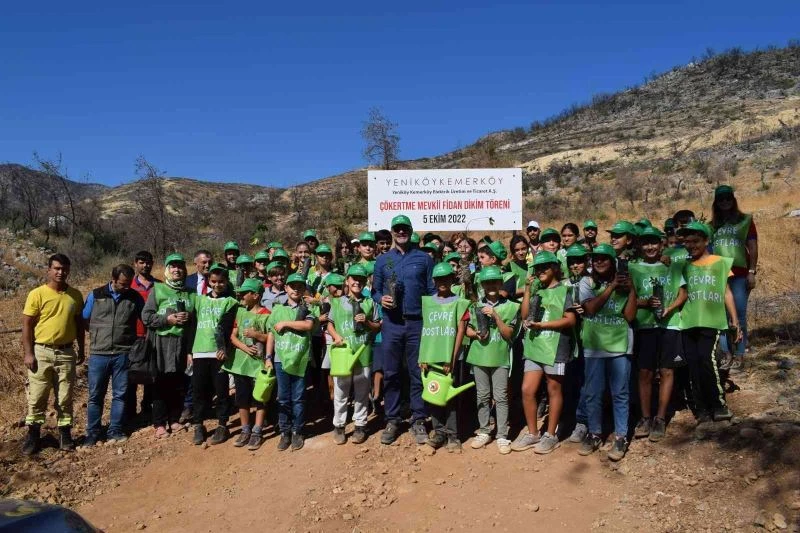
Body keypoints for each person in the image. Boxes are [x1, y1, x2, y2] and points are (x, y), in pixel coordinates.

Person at [372, 214, 435, 445]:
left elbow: (431, 290)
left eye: (404, 229)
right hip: (392, 323)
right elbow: (374, 290)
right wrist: (381, 300)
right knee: (391, 373)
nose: (401, 232)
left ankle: (419, 419)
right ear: (392, 232)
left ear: (410, 230)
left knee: (417, 372)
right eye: (397, 229)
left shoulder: (424, 259)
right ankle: (393, 419)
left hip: (417, 322)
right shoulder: (382, 261)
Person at [677, 221, 741, 426]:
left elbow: (726, 292)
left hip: (711, 321)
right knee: (693, 365)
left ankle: (718, 405)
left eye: (695, 241)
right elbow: (681, 292)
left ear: (706, 241)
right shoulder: (684, 265)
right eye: (687, 242)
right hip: (688, 321)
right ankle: (701, 409)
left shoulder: (720, 262)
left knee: (708, 360)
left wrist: (735, 320)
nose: (691, 245)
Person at [577, 243, 637, 461]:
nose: (599, 262)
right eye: (596, 259)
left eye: (604, 258)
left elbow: (630, 316)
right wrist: (611, 287)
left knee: (620, 393)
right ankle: (594, 433)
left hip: (620, 345)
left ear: (613, 261)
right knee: (592, 393)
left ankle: (621, 436)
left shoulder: (626, 281)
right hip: (594, 346)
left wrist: (630, 289)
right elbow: (590, 308)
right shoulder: (586, 282)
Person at [514, 252, 578, 454]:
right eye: (538, 268)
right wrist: (526, 289)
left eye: (545, 268)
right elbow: (524, 315)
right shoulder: (536, 292)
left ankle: (550, 435)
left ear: (555, 269)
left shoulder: (565, 290)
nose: (540, 271)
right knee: (527, 389)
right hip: (534, 346)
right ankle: (533, 434)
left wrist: (543, 324)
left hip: (556, 347)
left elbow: (570, 320)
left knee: (554, 389)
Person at [21, 254, 85, 455]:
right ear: (48, 270)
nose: (60, 272)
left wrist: (82, 348)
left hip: (66, 352)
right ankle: (33, 436)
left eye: (64, 269)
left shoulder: (75, 295)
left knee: (65, 397)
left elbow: (79, 325)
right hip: (42, 351)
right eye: (56, 268)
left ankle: (65, 435)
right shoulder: (37, 294)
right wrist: (29, 353)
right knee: (37, 397)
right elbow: (27, 325)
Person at [629, 227, 688, 442]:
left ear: (661, 243)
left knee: (667, 371)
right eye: (645, 243)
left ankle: (660, 418)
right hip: (645, 326)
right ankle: (645, 417)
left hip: (670, 325)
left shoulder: (671, 266)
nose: (650, 247)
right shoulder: (633, 268)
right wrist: (643, 303)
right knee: (644, 372)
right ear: (639, 246)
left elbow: (683, 292)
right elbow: (627, 300)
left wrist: (669, 309)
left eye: (654, 242)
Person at [83, 264, 143, 446]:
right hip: (98, 354)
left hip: (122, 353)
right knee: (95, 395)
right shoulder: (96, 295)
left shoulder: (134, 297)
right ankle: (92, 433)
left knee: (120, 394)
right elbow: (85, 318)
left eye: (129, 284)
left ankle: (115, 430)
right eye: (123, 284)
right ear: (113, 279)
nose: (126, 287)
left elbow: (145, 317)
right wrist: (98, 336)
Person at [465, 265, 520, 454]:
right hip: (479, 357)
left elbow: (509, 334)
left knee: (501, 396)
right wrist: (474, 334)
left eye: (495, 282)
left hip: (500, 357)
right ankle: (484, 430)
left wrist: (496, 317)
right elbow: (467, 329)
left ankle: (502, 435)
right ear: (482, 284)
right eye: (487, 282)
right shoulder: (474, 305)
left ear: (500, 283)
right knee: (482, 395)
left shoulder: (512, 306)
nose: (491, 285)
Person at [142, 253, 196, 439]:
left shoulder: (191, 293)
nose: (177, 270)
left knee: (178, 383)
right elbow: (147, 317)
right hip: (161, 343)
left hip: (182, 344)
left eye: (180, 266)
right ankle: (159, 423)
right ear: (166, 270)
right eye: (172, 266)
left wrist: (189, 319)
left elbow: (195, 320)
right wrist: (167, 319)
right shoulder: (157, 290)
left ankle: (174, 419)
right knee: (160, 383)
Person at [418, 262, 469, 453]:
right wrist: (423, 357)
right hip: (431, 358)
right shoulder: (428, 302)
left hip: (451, 359)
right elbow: (426, 331)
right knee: (434, 394)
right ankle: (439, 433)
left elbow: (460, 332)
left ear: (452, 279)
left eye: (446, 278)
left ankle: (453, 436)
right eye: (439, 279)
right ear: (434, 281)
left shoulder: (459, 302)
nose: (443, 282)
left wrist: (452, 359)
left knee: (450, 398)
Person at [327, 264, 381, 445]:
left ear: (365, 282)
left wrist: (366, 322)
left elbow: (377, 326)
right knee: (341, 391)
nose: (357, 281)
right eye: (354, 279)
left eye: (361, 279)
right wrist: (336, 337)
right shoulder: (338, 302)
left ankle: (360, 425)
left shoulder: (369, 302)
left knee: (362, 392)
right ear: (347, 281)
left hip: (363, 353)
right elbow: (330, 324)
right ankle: (339, 426)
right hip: (343, 355)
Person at [265, 273, 318, 451]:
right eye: (292, 286)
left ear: (304, 290)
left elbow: (308, 325)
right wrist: (268, 357)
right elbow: (272, 334)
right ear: (286, 288)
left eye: (299, 286)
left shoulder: (307, 310)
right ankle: (284, 432)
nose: (296, 289)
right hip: (280, 360)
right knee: (283, 398)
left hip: (300, 360)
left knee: (298, 398)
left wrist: (286, 323)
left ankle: (297, 431)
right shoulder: (277, 309)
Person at [189, 264, 238, 446]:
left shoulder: (231, 302)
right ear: (209, 282)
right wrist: (189, 351)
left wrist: (224, 348)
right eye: (214, 281)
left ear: (226, 282)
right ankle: (198, 424)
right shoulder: (200, 300)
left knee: (221, 390)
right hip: (199, 351)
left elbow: (227, 327)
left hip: (218, 353)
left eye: (221, 281)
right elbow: (192, 326)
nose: (217, 285)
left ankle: (223, 424)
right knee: (199, 390)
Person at [711, 184, 757, 373]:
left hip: (739, 274)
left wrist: (752, 271)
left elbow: (752, 247)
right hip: (718, 274)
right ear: (716, 202)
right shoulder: (711, 226)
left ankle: (739, 352)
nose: (725, 202)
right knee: (720, 316)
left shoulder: (745, 220)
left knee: (739, 314)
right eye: (721, 199)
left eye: (728, 198)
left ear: (733, 199)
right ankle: (725, 353)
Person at [225, 278, 271, 450]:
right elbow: (232, 336)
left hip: (259, 364)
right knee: (242, 397)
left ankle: (257, 430)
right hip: (241, 363)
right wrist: (244, 347)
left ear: (256, 295)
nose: (241, 296)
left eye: (245, 293)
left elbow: (270, 338)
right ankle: (245, 429)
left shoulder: (267, 314)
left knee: (260, 397)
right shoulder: (240, 312)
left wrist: (257, 335)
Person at [126, 251, 159, 423]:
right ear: (135, 263)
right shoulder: (128, 285)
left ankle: (147, 407)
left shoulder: (159, 285)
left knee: (151, 373)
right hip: (133, 335)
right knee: (131, 374)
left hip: (153, 335)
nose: (145, 265)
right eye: (141, 262)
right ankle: (130, 411)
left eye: (148, 262)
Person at [506, 235, 530, 299]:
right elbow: (506, 291)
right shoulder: (509, 267)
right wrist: (525, 290)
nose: (521, 253)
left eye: (523, 249)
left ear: (528, 248)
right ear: (513, 251)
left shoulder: (532, 266)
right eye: (517, 250)